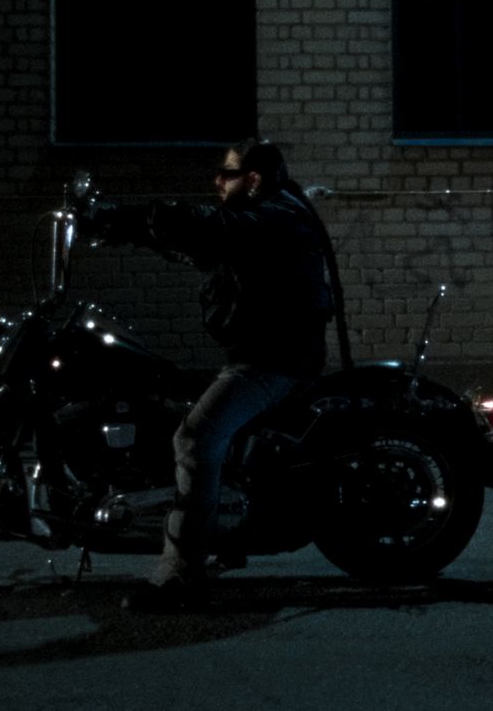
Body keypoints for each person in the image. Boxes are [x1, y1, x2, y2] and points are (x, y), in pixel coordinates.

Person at [81, 139, 334, 610]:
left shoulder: (274, 216)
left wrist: (129, 215)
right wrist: (121, 229)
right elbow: (197, 243)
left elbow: (205, 227)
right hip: (265, 355)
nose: (217, 182)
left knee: (195, 439)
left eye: (227, 173)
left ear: (253, 180)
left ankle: (181, 577)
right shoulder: (266, 218)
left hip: (274, 363)